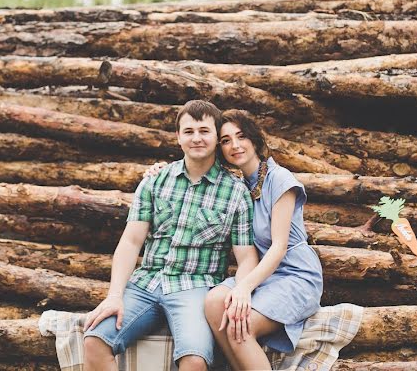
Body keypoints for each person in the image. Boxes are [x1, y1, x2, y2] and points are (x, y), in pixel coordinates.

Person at [82, 100, 257, 371]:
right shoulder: (154, 181)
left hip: (195, 287)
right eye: (188, 131)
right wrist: (115, 295)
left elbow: (247, 257)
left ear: (216, 137)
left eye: (204, 131)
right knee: (94, 341)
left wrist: (240, 291)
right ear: (178, 137)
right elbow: (131, 242)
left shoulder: (236, 192)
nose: (196, 138)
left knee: (195, 361)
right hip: (146, 283)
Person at [145, 108, 324, 370]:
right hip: (265, 275)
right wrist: (160, 169)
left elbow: (279, 246)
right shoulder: (240, 185)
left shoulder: (280, 179)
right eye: (226, 140)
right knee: (214, 302)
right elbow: (190, 169)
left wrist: (244, 287)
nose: (235, 145)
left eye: (241, 136)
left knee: (239, 324)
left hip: (295, 274)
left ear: (255, 139)